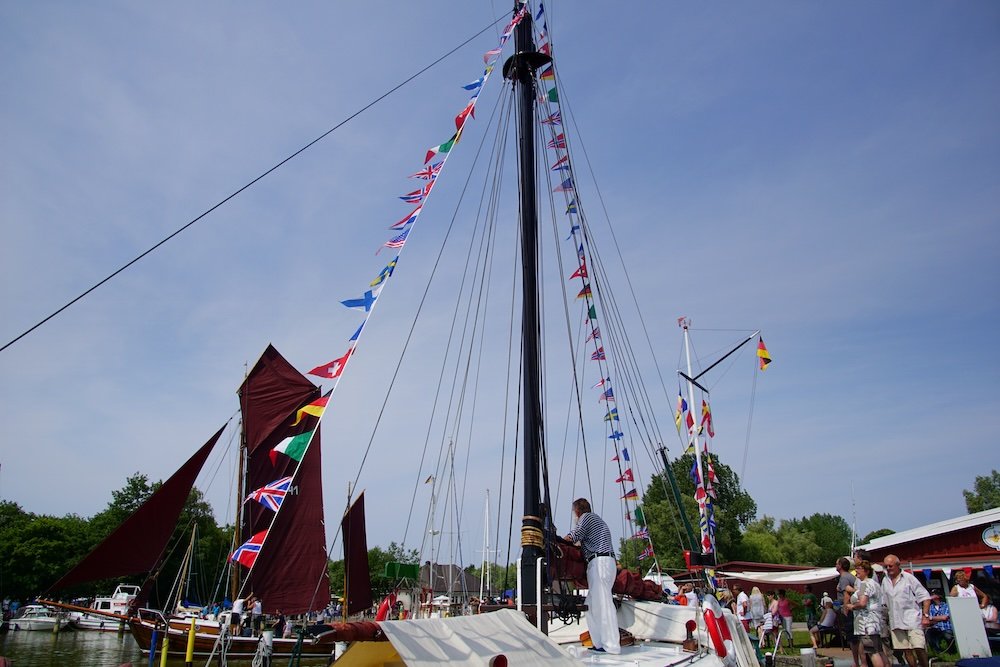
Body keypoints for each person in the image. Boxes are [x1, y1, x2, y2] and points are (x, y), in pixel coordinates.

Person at [565, 497, 620, 655]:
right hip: (601, 562)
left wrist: (560, 540)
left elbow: (574, 536)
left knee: (603, 602)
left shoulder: (587, 517)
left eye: (574, 513)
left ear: (577, 511)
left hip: (600, 562)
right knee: (592, 604)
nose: (574, 517)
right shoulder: (597, 521)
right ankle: (599, 642)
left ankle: (611, 646)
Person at [881, 554, 931, 667]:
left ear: (898, 565)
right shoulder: (885, 581)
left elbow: (925, 597)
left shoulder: (909, 578)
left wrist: (925, 616)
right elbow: (883, 602)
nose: (888, 568)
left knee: (919, 647)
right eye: (886, 566)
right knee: (906, 650)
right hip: (896, 621)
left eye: (890, 566)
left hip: (912, 619)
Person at [845, 560, 886, 667]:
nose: (856, 571)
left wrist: (851, 606)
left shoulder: (864, 584)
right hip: (875, 622)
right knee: (879, 650)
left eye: (859, 569)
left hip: (866, 623)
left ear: (866, 571)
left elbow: (862, 603)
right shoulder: (875, 584)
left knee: (872, 652)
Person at [837, 556, 862, 667]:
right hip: (853, 609)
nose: (835, 566)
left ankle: (856, 662)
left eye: (837, 564)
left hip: (850, 611)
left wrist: (845, 608)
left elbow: (846, 593)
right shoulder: (849, 576)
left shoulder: (844, 577)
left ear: (841, 566)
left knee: (853, 638)